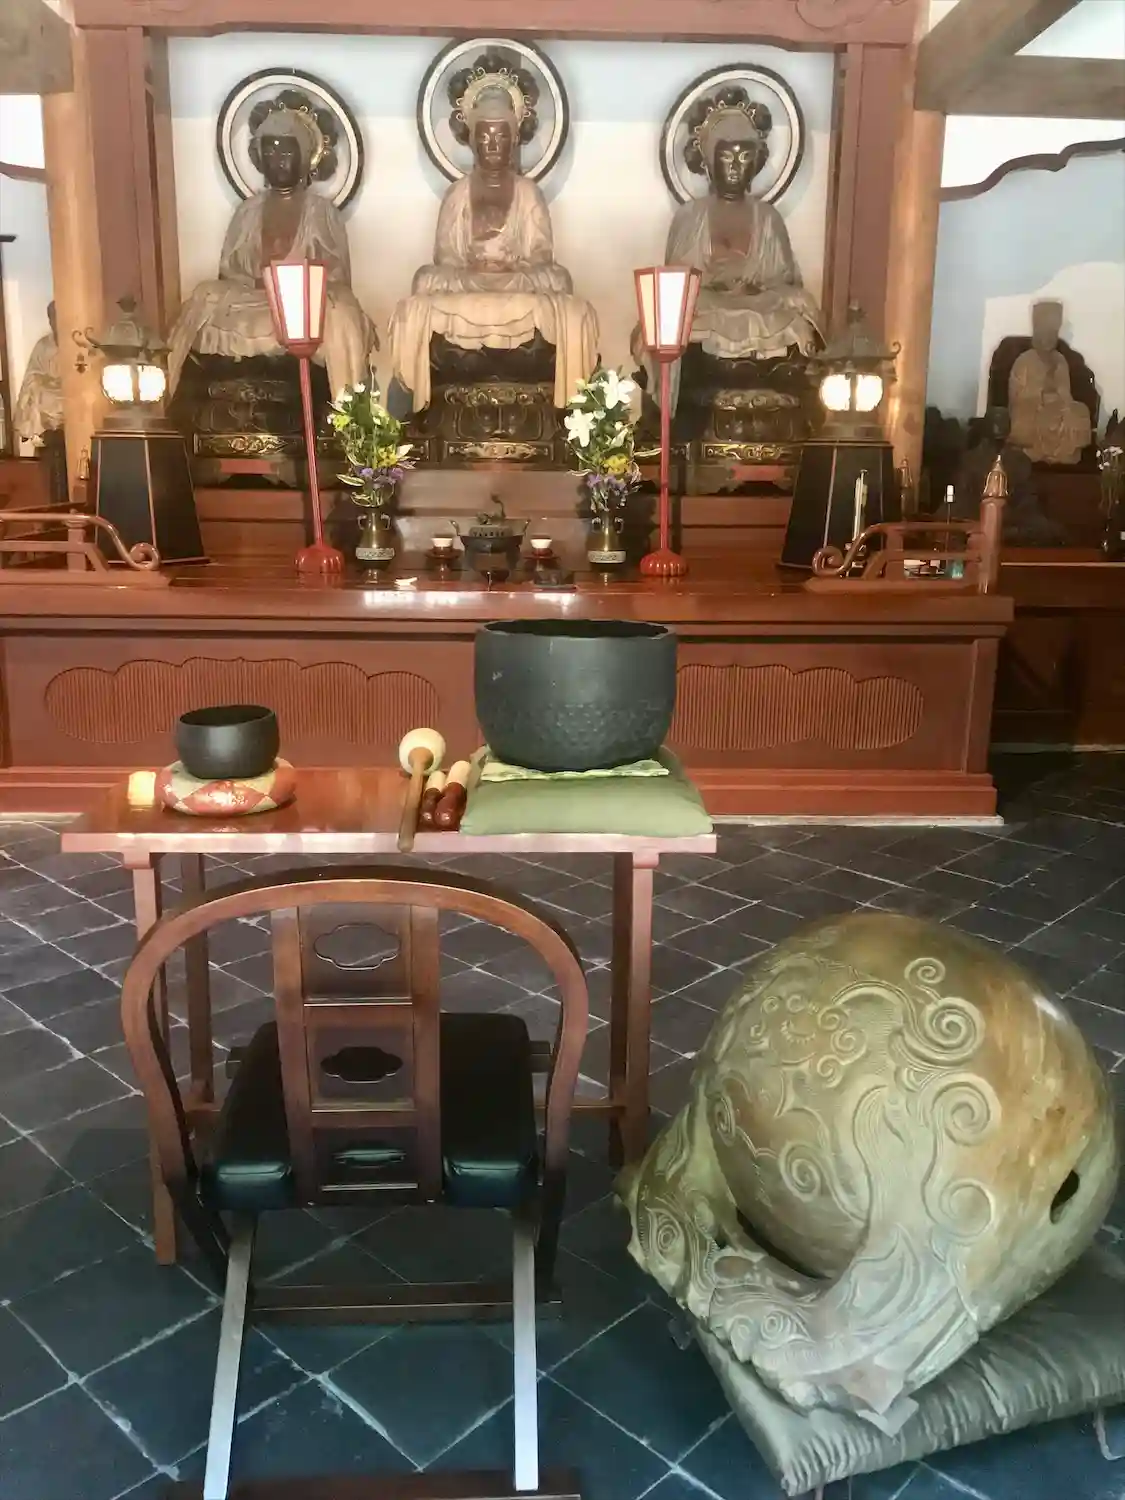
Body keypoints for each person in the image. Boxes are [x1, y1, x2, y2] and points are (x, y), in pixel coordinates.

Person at [389, 84, 598, 411]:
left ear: (514, 140)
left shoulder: (528, 192)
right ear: (472, 140)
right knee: (424, 281)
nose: (492, 145)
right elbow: (445, 258)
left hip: (516, 282)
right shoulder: (458, 193)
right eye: (484, 136)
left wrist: (514, 269)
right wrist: (470, 271)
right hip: (469, 282)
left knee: (562, 284)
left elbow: (542, 257)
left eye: (501, 136)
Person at [166, 105, 377, 397]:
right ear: (259, 158)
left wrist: (294, 287)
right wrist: (257, 284)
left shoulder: (321, 211)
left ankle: (346, 407)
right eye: (270, 152)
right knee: (205, 293)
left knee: (339, 308)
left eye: (286, 152)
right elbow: (228, 272)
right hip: (252, 299)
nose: (278, 161)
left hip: (301, 305)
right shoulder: (247, 211)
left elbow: (338, 277)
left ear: (305, 157)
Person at [637, 98, 822, 409]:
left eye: (745, 156)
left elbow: (784, 281)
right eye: (726, 156)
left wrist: (762, 291)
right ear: (709, 162)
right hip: (708, 305)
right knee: (679, 322)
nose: (736, 166)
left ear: (756, 162)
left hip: (758, 303)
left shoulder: (768, 217)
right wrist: (714, 287)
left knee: (797, 321)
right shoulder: (691, 216)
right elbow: (675, 286)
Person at [1008, 301, 1092, 466]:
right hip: (1031, 408)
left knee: (1080, 411)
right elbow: (1016, 397)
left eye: (1052, 334)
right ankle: (1035, 451)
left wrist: (1060, 398)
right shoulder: (1024, 361)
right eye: (1044, 333)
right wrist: (1040, 393)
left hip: (1055, 407)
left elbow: (1065, 394)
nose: (1048, 339)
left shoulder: (1060, 360)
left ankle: (1065, 453)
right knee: (1027, 419)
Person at [14, 301, 63, 446]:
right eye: (51, 318)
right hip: (47, 390)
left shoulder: (75, 343)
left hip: (67, 391)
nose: (54, 322)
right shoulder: (43, 345)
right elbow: (32, 372)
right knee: (33, 389)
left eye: (57, 317)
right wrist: (43, 380)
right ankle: (35, 433)